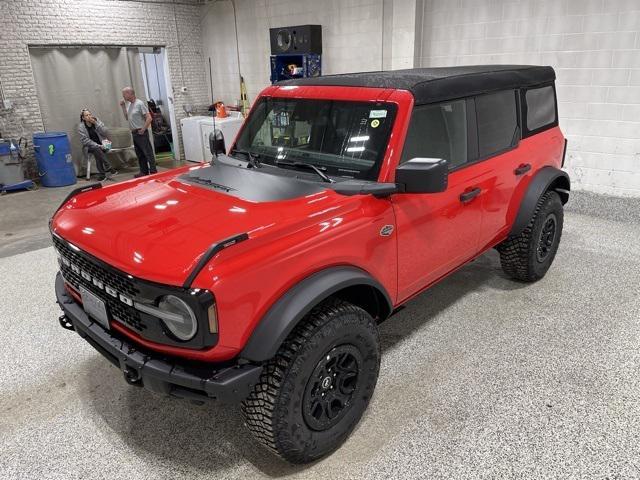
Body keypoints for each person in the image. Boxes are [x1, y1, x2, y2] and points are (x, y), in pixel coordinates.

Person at [119, 87, 157, 177]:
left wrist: (143, 129)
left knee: (148, 153)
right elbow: (127, 117)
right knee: (140, 154)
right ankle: (143, 172)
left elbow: (149, 118)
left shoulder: (139, 103)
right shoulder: (129, 105)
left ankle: (153, 171)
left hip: (141, 132)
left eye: (124, 94)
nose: (123, 96)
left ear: (130, 94)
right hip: (134, 133)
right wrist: (123, 107)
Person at [77, 109, 117, 181]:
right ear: (83, 118)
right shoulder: (81, 127)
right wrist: (98, 145)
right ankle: (108, 167)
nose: (89, 116)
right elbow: (85, 141)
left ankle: (102, 174)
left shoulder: (96, 121)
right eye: (86, 115)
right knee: (96, 149)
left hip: (104, 144)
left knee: (97, 151)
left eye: (90, 114)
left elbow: (105, 132)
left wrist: (96, 123)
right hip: (89, 147)